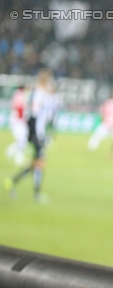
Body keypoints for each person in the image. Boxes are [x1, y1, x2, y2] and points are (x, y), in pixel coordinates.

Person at [4, 69, 54, 202]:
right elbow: (35, 116)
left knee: (36, 163)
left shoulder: (38, 93)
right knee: (40, 161)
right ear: (45, 81)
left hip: (36, 131)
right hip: (35, 132)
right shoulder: (38, 93)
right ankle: (36, 194)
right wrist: (38, 136)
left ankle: (13, 183)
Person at [5, 85, 28, 166]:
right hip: (18, 120)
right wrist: (23, 119)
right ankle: (17, 156)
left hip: (16, 119)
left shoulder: (16, 94)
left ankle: (12, 151)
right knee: (23, 139)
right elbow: (19, 108)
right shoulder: (21, 95)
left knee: (23, 139)